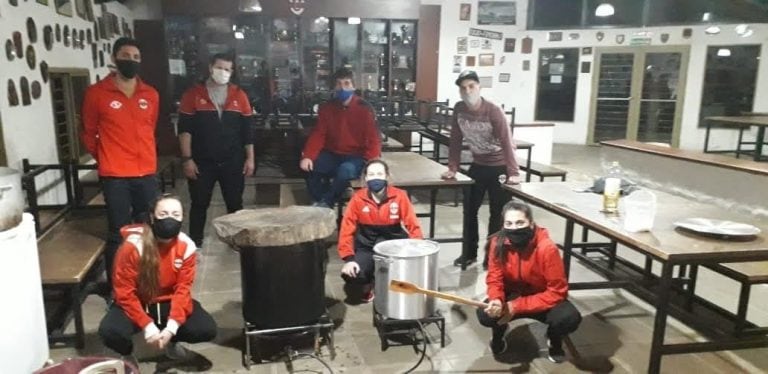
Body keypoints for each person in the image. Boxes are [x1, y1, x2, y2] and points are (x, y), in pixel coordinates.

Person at [98, 195, 217, 364]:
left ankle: (171, 341)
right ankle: (126, 354)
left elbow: (183, 289)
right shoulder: (133, 246)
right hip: (137, 301)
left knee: (205, 329)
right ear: (152, 217)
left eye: (176, 214)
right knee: (110, 331)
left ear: (183, 218)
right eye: (163, 214)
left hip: (168, 301)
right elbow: (124, 292)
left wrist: (172, 327)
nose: (170, 218)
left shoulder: (186, 245)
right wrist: (147, 326)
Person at [81, 37, 160, 291]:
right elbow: (88, 132)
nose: (132, 61)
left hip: (146, 171)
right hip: (115, 174)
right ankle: (119, 288)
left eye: (136, 57)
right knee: (118, 231)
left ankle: (146, 279)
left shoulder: (150, 94)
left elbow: (151, 127)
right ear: (115, 59)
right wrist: (105, 156)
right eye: (126, 56)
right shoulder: (96, 94)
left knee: (147, 227)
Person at [476, 201, 581, 362]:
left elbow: (557, 291)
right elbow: (494, 278)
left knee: (568, 318)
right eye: (509, 223)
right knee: (485, 315)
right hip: (511, 295)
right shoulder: (497, 243)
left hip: (541, 297)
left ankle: (554, 337)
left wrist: (516, 306)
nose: (514, 228)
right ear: (503, 225)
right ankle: (499, 332)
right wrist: (496, 299)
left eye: (520, 222)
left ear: (531, 224)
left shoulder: (547, 248)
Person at [441, 69, 521, 269]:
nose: (467, 91)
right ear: (459, 92)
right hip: (478, 165)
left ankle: (493, 257)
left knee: (498, 213)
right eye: (463, 88)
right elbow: (456, 140)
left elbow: (507, 141)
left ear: (479, 87)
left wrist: (513, 172)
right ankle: (468, 254)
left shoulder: (493, 110)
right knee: (469, 210)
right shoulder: (459, 109)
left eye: (471, 86)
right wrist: (453, 167)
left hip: (500, 167)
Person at [177, 53, 255, 247]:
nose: (224, 72)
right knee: (199, 203)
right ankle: (196, 242)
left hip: (233, 160)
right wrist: (187, 159)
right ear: (211, 67)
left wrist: (250, 159)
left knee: (235, 203)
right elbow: (185, 130)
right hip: (202, 161)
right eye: (220, 68)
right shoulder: (193, 95)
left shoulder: (239, 95)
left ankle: (237, 241)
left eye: (228, 69)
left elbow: (248, 132)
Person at [338, 160, 422, 303]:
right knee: (352, 274)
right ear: (366, 178)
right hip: (366, 245)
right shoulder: (358, 198)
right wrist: (348, 259)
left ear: (386, 176)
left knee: (404, 277)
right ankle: (368, 283)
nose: (375, 177)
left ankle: (384, 282)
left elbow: (413, 225)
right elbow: (346, 228)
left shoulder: (400, 196)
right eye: (371, 174)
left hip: (393, 244)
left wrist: (416, 251)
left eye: (379, 174)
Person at [300, 67, 381, 208]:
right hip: (333, 154)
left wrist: (371, 163)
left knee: (345, 170)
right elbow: (319, 134)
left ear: (353, 86)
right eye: (339, 83)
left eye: (347, 83)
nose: (342, 87)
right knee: (309, 166)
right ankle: (319, 199)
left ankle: (327, 201)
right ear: (334, 86)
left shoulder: (365, 109)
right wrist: (308, 156)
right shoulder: (327, 108)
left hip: (356, 156)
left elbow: (373, 139)